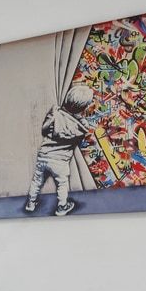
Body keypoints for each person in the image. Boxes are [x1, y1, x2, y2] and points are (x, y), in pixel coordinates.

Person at [22, 83, 95, 216]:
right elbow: (76, 141)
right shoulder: (82, 126)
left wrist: (52, 117)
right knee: (62, 184)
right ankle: (62, 207)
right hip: (61, 161)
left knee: (37, 180)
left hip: (44, 155)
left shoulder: (55, 114)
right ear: (84, 107)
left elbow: (44, 130)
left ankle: (30, 204)